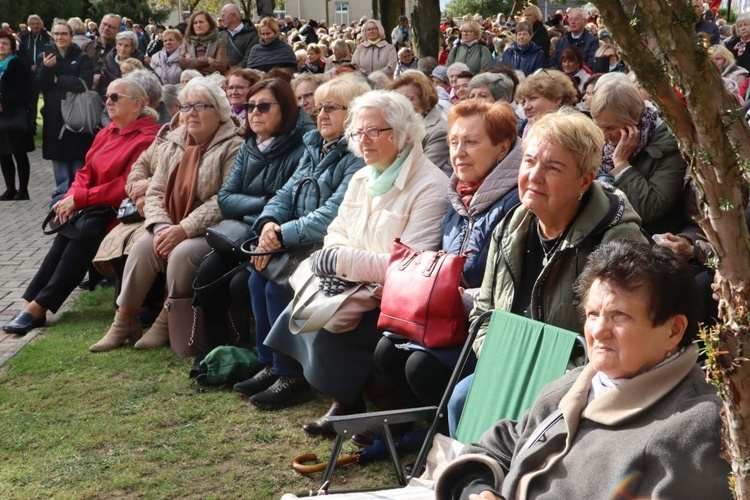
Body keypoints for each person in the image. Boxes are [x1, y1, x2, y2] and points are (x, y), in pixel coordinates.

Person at [437, 240, 732, 500]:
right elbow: (500, 445)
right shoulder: (574, 386)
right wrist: (476, 489)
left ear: (674, 330)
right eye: (593, 314)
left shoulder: (695, 426)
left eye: (620, 316)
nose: (599, 330)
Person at [446, 108, 647, 436]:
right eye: (529, 161)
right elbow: (483, 313)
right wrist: (503, 363)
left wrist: (549, 379)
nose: (534, 176)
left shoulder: (615, 240)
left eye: (553, 167)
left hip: (583, 380)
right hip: (513, 367)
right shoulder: (511, 226)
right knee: (462, 399)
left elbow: (622, 338)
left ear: (585, 180)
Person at [261, 91, 449, 431]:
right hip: (353, 283)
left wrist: (343, 261)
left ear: (402, 132)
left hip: (395, 296)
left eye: (373, 131)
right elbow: (336, 231)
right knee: (307, 309)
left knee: (340, 327)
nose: (363, 140)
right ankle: (348, 401)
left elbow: (410, 265)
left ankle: (385, 410)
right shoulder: (364, 176)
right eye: (358, 132)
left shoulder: (431, 185)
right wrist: (341, 262)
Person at [371, 100, 523, 433]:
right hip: (449, 316)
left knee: (420, 366)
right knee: (387, 349)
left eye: (471, 142)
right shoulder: (458, 195)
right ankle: (419, 430)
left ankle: (450, 438)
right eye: (454, 142)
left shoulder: (518, 201)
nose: (458, 152)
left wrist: (464, 298)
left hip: (486, 326)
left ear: (502, 149)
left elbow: (512, 285)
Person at [229, 76, 370, 403]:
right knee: (256, 277)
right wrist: (269, 223)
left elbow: (333, 213)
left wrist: (281, 234)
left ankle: (291, 375)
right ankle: (269, 363)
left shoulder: (356, 156)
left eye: (331, 108)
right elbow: (286, 192)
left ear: (355, 113)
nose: (321, 115)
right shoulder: (313, 146)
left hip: (330, 244)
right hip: (294, 237)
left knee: (279, 284)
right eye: (319, 107)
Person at [89, 77, 242, 352]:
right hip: (169, 222)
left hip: (213, 227)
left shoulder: (234, 144)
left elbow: (224, 200)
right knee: (144, 247)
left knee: (183, 254)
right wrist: (160, 227)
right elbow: (156, 189)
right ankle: (124, 320)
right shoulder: (174, 141)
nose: (191, 113)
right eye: (185, 106)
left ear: (219, 111)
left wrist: (183, 229)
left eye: (199, 106)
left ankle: (164, 319)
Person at [3, 79, 160, 335]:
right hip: (94, 207)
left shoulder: (147, 137)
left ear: (137, 104)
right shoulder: (107, 131)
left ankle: (39, 306)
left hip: (123, 212)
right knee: (67, 232)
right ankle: (32, 302)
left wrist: (81, 199)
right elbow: (85, 170)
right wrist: (72, 198)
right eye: (106, 97)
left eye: (115, 98)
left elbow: (125, 185)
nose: (107, 102)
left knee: (83, 235)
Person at [191, 78, 315, 359]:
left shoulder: (300, 148)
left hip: (274, 235)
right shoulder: (249, 145)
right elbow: (225, 199)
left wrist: (257, 208)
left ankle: (267, 358)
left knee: (242, 284)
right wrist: (264, 202)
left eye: (263, 106)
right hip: (243, 232)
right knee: (208, 274)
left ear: (285, 110)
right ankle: (218, 353)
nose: (254, 112)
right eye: (249, 106)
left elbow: (292, 204)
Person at [590, 73, 688, 236]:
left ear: (634, 122)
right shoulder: (604, 142)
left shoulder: (668, 143)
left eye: (610, 128)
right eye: (598, 127)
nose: (603, 135)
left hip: (650, 238)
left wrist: (622, 165)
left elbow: (651, 208)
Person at [37, 20, 96, 199]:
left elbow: (82, 83)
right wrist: (46, 70)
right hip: (54, 113)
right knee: (58, 154)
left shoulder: (82, 57)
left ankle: (77, 192)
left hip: (77, 113)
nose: (60, 37)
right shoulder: (45, 57)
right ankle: (62, 193)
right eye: (56, 34)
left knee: (77, 154)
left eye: (64, 34)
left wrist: (56, 80)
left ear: (71, 36)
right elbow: (38, 84)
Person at [388, 71, 451, 175]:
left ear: (425, 101)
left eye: (409, 99)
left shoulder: (439, 132)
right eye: (398, 100)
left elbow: (421, 172)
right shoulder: (396, 127)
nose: (402, 104)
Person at [0, 30, 34, 201]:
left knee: (19, 153)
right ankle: (10, 188)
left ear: (12, 47)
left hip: (15, 115)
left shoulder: (17, 64)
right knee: (3, 154)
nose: (1, 46)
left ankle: (23, 190)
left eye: (5, 43)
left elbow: (25, 91)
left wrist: (4, 102)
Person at [515, 69, 578, 137]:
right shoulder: (526, 128)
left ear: (557, 99)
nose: (526, 107)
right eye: (524, 101)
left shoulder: (573, 131)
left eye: (532, 98)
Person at [179, 11, 228, 77]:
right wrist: (206, 60)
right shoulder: (187, 43)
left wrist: (191, 63)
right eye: (195, 23)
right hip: (192, 82)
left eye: (201, 22)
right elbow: (182, 64)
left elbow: (220, 67)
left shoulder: (219, 42)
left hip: (214, 81)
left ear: (209, 24)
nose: (198, 25)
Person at [97, 31, 143, 95]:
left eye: (126, 46)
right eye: (120, 44)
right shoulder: (108, 61)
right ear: (116, 45)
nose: (122, 49)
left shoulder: (141, 63)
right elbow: (101, 87)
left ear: (133, 49)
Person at [219, 3, 258, 68]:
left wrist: (232, 72)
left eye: (223, 16)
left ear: (233, 16)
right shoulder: (220, 35)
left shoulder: (252, 36)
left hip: (242, 75)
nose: (221, 19)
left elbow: (248, 59)